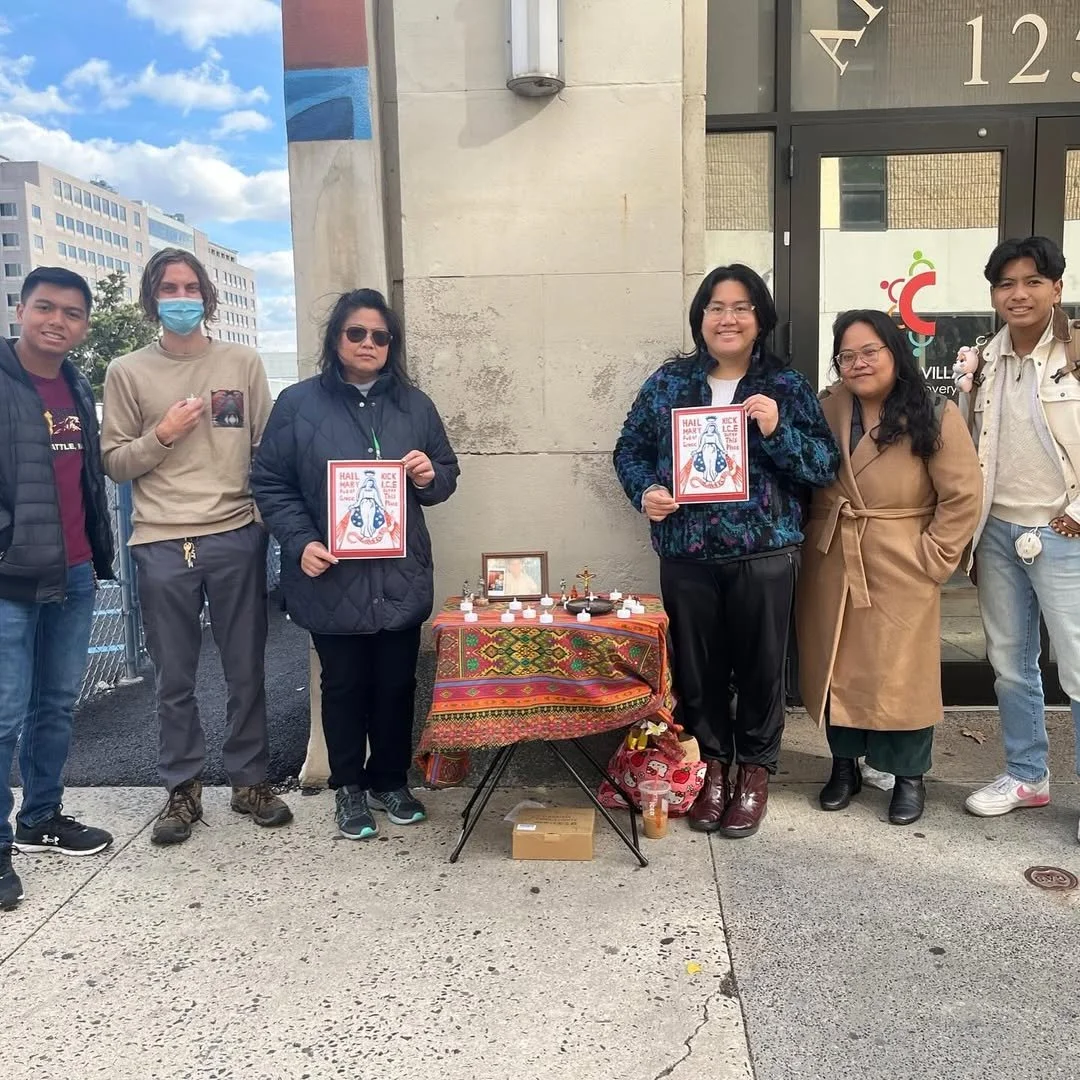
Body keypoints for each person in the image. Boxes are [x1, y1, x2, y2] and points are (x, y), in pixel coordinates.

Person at [614, 264, 839, 839]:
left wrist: (776, 429)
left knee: (762, 671)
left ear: (760, 319)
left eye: (741, 307)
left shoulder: (786, 386)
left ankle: (755, 773)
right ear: (701, 318)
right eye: (716, 307)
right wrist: (648, 491)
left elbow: (821, 466)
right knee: (699, 670)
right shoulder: (669, 383)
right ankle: (712, 767)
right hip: (687, 553)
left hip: (764, 554)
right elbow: (629, 449)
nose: (728, 318)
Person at [251, 288, 459, 841]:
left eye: (380, 336)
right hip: (331, 575)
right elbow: (270, 482)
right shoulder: (297, 405)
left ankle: (391, 780)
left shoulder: (415, 406)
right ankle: (349, 787)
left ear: (391, 345)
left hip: (399, 576)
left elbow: (446, 474)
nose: (369, 343)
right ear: (335, 339)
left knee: (395, 684)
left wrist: (426, 476)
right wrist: (299, 541)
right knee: (342, 686)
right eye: (357, 333)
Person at [101, 248, 292, 846]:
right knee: (173, 676)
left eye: (189, 288)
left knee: (245, 668)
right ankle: (182, 790)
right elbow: (114, 462)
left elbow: (267, 448)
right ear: (151, 298)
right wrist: (161, 435)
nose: (180, 299)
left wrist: (259, 521)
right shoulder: (127, 371)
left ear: (207, 297)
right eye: (167, 288)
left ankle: (249, 782)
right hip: (160, 538)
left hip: (235, 531)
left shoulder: (241, 362)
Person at [798, 310, 982, 825]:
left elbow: (963, 495)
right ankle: (843, 766)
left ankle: (908, 776)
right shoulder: (824, 407)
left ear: (894, 352)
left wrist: (934, 559)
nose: (858, 364)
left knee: (902, 673)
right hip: (834, 556)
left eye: (869, 351)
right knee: (838, 666)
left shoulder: (933, 411)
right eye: (847, 355)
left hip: (902, 558)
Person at [953, 237, 1080, 830]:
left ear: (1057, 287)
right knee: (1009, 662)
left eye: (1033, 281)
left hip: (1065, 531)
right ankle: (1028, 776)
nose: (1019, 293)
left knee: (1078, 666)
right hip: (998, 530)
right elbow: (972, 449)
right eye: (1006, 284)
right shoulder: (983, 359)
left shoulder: (1076, 353)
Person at [0, 268, 116, 911]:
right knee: (3, 715)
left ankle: (41, 816)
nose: (57, 321)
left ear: (84, 325)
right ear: (20, 308)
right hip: (11, 577)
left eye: (72, 314)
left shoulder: (74, 383)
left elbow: (81, 482)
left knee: (56, 704)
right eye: (45, 308)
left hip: (73, 570)